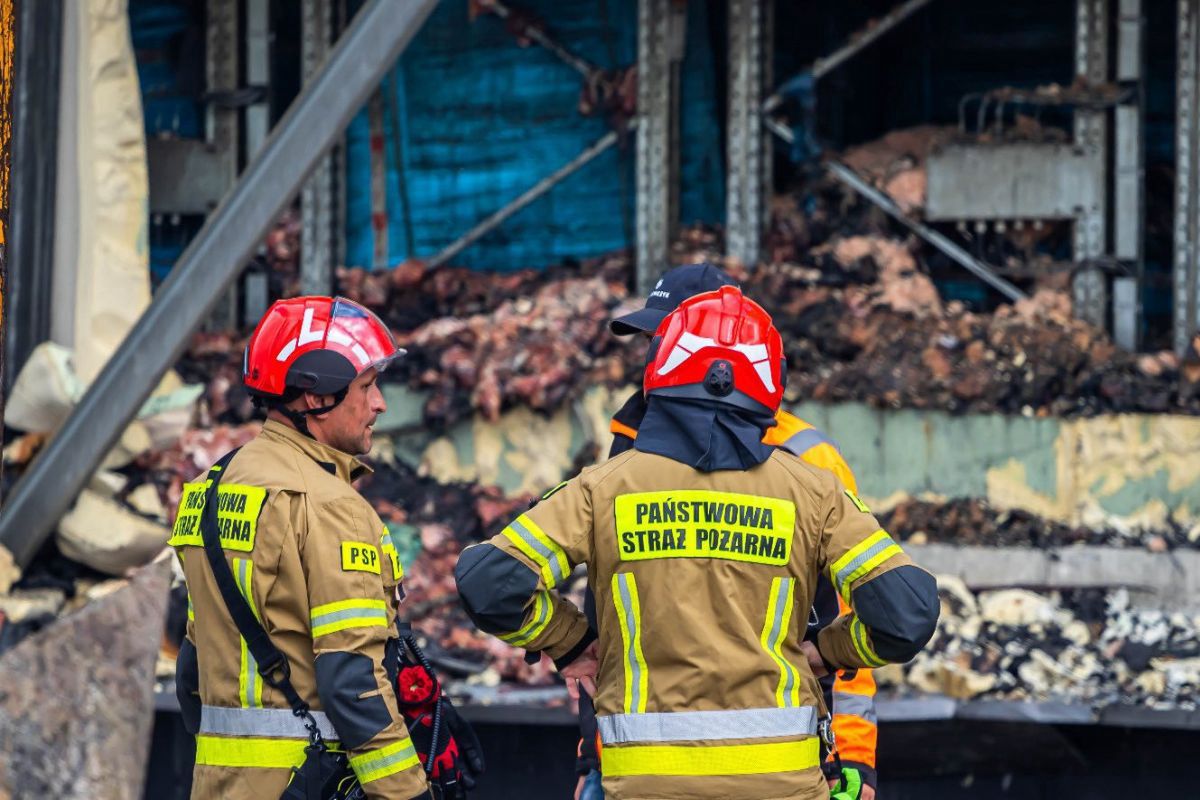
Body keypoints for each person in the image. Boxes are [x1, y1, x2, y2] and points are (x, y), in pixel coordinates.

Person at [455, 286, 939, 800]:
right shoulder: (814, 492)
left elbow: (488, 584)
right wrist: (827, 650)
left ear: (662, 370)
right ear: (768, 383)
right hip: (783, 786)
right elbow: (905, 616)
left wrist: (569, 641)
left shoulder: (603, 487)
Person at [583, 263, 883, 799]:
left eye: (666, 337)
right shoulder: (630, 440)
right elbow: (609, 607)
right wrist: (592, 750)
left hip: (779, 760)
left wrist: (854, 758)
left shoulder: (806, 459)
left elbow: (850, 614)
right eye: (653, 342)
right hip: (635, 761)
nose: (655, 355)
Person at [172, 297, 478, 799]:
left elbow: (191, 673)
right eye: (366, 386)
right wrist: (408, 794)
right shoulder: (332, 507)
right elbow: (352, 682)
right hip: (308, 784)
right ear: (316, 398)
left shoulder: (208, 490)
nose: (380, 403)